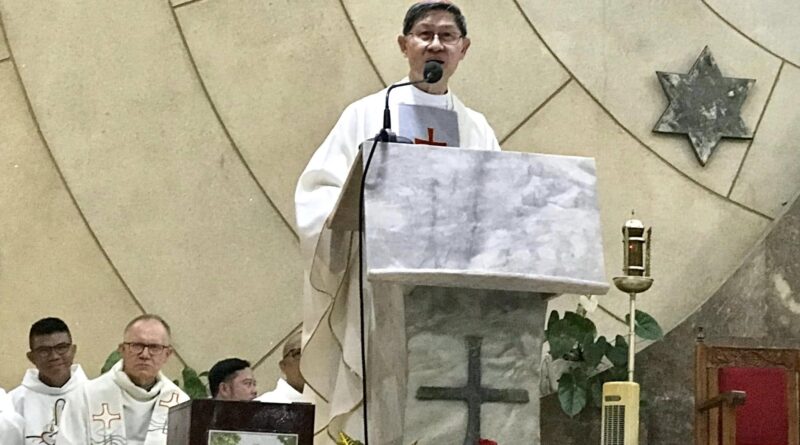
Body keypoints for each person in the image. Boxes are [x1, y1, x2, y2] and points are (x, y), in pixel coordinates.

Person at [294, 2, 500, 442]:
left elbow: (498, 201)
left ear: (464, 49)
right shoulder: (368, 114)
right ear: (404, 45)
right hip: (379, 288)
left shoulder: (477, 129)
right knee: (381, 393)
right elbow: (318, 193)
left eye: (447, 36)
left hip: (450, 292)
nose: (436, 44)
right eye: (425, 34)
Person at [60, 314, 188, 445]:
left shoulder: (181, 404)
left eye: (154, 347)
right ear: (122, 350)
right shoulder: (86, 396)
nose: (144, 355)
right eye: (137, 346)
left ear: (167, 354)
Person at [8, 317, 88, 445]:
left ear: (73, 350)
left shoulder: (93, 395)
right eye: (44, 351)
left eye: (61, 347)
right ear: (31, 357)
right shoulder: (14, 402)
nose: (54, 356)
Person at [256, 331, 313, 404]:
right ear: (283, 366)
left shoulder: (325, 406)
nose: (307, 360)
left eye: (313, 353)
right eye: (298, 353)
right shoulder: (265, 403)